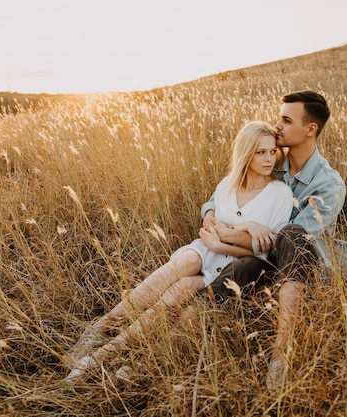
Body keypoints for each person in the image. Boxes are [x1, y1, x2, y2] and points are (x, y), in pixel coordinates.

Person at [65, 121, 294, 382]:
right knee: (185, 262)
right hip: (206, 251)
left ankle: (113, 356)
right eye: (259, 152)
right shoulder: (227, 185)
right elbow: (211, 226)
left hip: (234, 265)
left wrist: (232, 236)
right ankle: (100, 330)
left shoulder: (280, 193)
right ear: (246, 153)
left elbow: (264, 248)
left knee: (181, 289)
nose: (268, 158)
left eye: (272, 151)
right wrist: (243, 228)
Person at [201, 90, 347, 391]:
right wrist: (209, 213)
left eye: (286, 120)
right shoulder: (271, 160)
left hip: (304, 263)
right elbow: (225, 191)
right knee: (237, 271)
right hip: (258, 258)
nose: (277, 126)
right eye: (279, 118)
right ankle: (178, 330)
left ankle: (280, 356)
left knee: (292, 234)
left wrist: (228, 234)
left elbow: (286, 240)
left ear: (310, 129)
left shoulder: (328, 183)